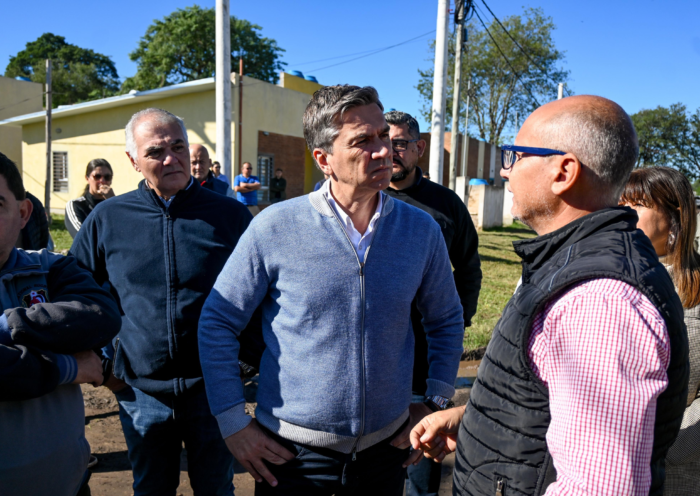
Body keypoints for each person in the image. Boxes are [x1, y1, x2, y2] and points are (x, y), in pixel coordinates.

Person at [408, 95, 689, 496]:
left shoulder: (598, 300)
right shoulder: (572, 266)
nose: (505, 171)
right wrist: (478, 418)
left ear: (564, 171)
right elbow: (548, 397)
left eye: (515, 156)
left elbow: (600, 486)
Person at [198, 85, 465, 496]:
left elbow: (446, 318)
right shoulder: (274, 227)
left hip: (387, 453)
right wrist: (232, 422)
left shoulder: (420, 230)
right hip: (291, 459)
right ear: (323, 159)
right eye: (362, 141)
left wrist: (435, 402)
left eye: (383, 136)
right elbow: (218, 321)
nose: (383, 151)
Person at [70, 108, 254, 496]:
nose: (171, 159)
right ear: (133, 160)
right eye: (156, 151)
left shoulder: (231, 217)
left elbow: (265, 295)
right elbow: (76, 293)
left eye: (178, 147)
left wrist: (244, 363)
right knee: (151, 489)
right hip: (140, 392)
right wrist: (107, 365)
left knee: (217, 489)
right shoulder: (107, 219)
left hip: (214, 391)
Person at [0, 151, 121, 496]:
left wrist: (7, 326)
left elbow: (100, 315)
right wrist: (70, 367)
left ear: (23, 213)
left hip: (68, 483)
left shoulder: (49, 267)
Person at [383, 110, 482, 496]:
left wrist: (457, 321)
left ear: (419, 148)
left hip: (425, 354)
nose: (390, 151)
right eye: (383, 142)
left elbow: (469, 267)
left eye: (400, 143)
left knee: (421, 463)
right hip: (377, 352)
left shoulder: (446, 205)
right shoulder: (366, 199)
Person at [620, 167, 700, 494]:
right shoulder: (608, 277)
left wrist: (668, 444)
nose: (623, 213)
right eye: (620, 203)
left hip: (675, 472)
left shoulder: (695, 291)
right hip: (609, 465)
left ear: (675, 217)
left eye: (637, 204)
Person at [65, 159, 115, 239]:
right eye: (97, 176)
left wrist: (113, 201)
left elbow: (125, 229)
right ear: (87, 178)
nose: (102, 181)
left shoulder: (115, 204)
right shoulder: (76, 205)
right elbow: (82, 236)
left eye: (107, 177)